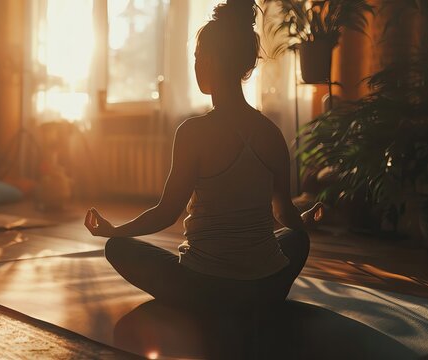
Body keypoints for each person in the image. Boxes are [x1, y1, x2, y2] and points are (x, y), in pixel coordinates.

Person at [85, 0, 323, 357]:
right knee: (296, 241)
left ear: (209, 61)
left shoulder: (193, 132)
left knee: (118, 249)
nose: (195, 64)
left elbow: (167, 213)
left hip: (204, 289)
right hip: (264, 286)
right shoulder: (272, 133)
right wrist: (303, 223)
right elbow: (284, 214)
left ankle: (213, 305)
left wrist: (113, 231)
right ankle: (248, 300)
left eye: (197, 56)